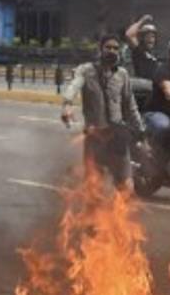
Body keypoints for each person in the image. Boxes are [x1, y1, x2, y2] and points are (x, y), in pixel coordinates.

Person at [61, 34, 144, 188]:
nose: (112, 51)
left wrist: (141, 130)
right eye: (108, 47)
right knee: (94, 184)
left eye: (115, 48)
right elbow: (73, 87)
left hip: (117, 136)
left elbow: (130, 105)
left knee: (125, 185)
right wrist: (67, 105)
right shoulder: (86, 70)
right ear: (100, 49)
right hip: (95, 136)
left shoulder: (122, 75)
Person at [123, 14, 161, 80]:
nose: (151, 39)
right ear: (142, 38)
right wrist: (142, 20)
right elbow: (129, 34)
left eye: (153, 36)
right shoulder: (139, 51)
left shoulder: (153, 55)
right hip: (143, 86)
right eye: (148, 36)